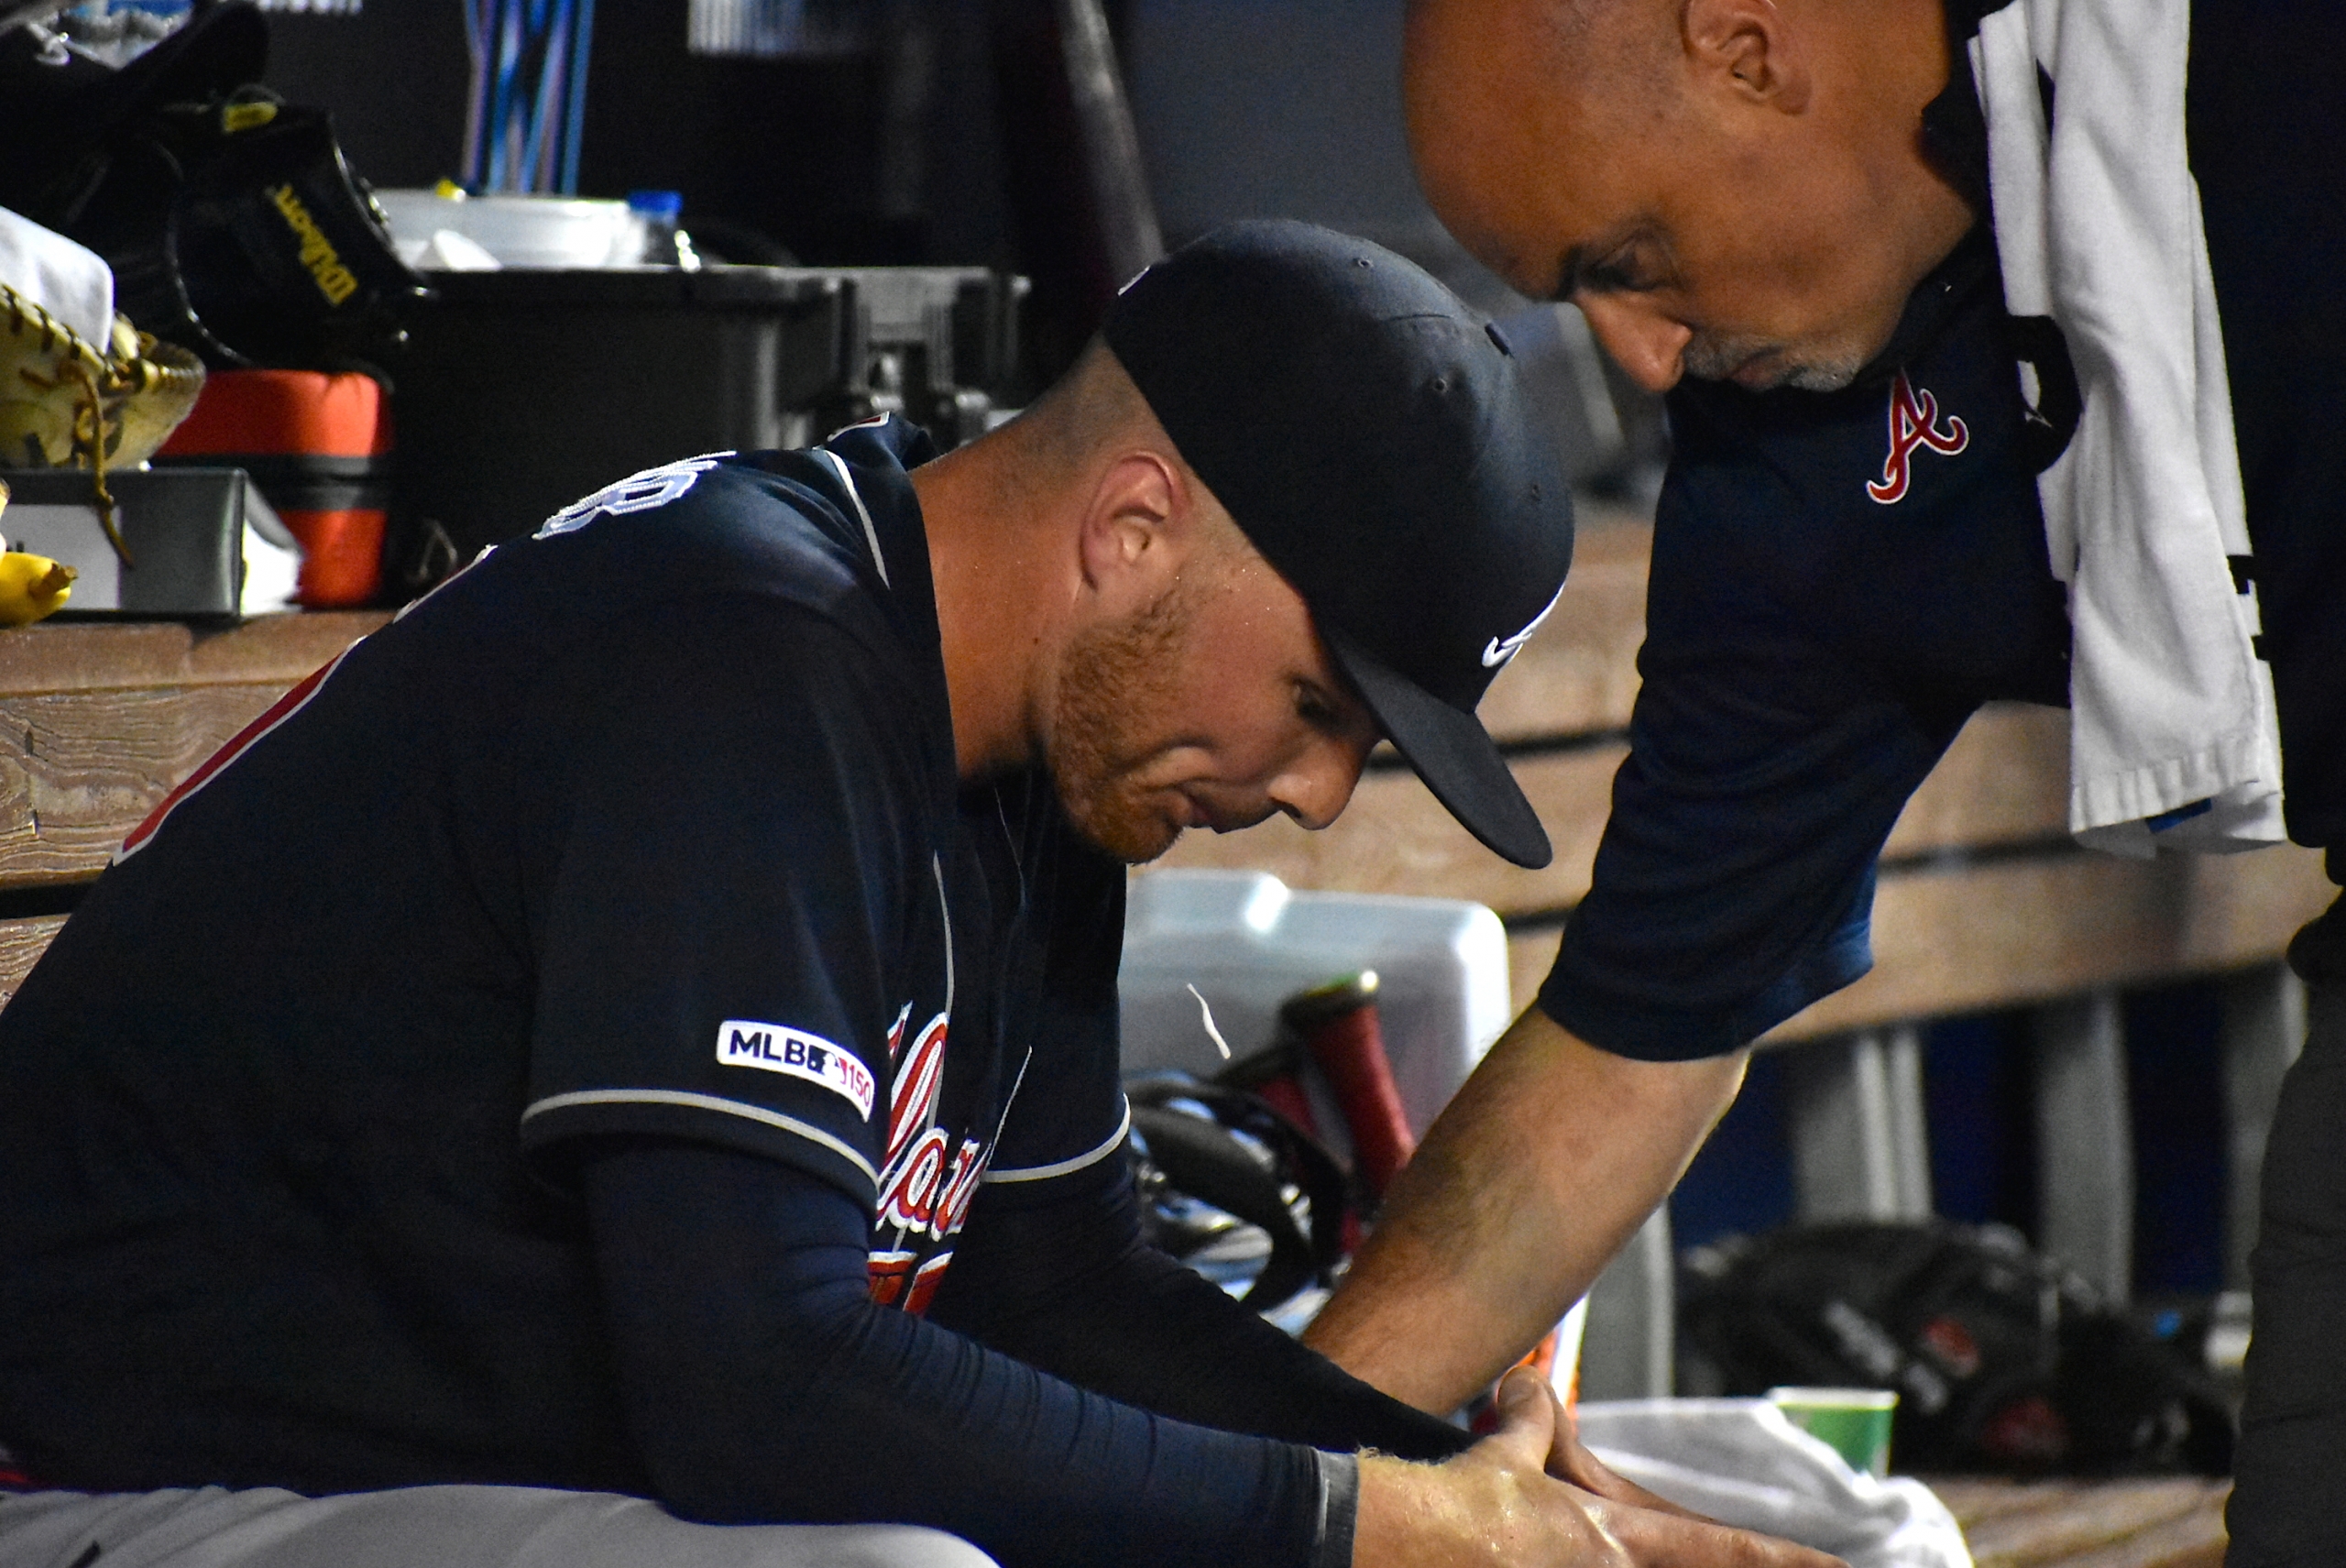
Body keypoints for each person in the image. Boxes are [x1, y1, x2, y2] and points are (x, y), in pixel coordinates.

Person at [0, 221, 1840, 1568]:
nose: (1308, 793)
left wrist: (1473, 1486)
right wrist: (1372, 1523)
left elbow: (1053, 1288)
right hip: (109, 1493)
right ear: (1132, 529)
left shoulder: (1024, 747)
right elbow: (753, 1389)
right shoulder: (741, 651)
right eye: (1318, 706)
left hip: (416, 1492)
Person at [1299, 1, 2345, 1561]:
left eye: (1625, 261)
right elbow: (1630, 1040)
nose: (1638, 355)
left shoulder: (2276, 81)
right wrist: (1279, 1493)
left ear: (1748, 46)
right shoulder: (1788, 462)